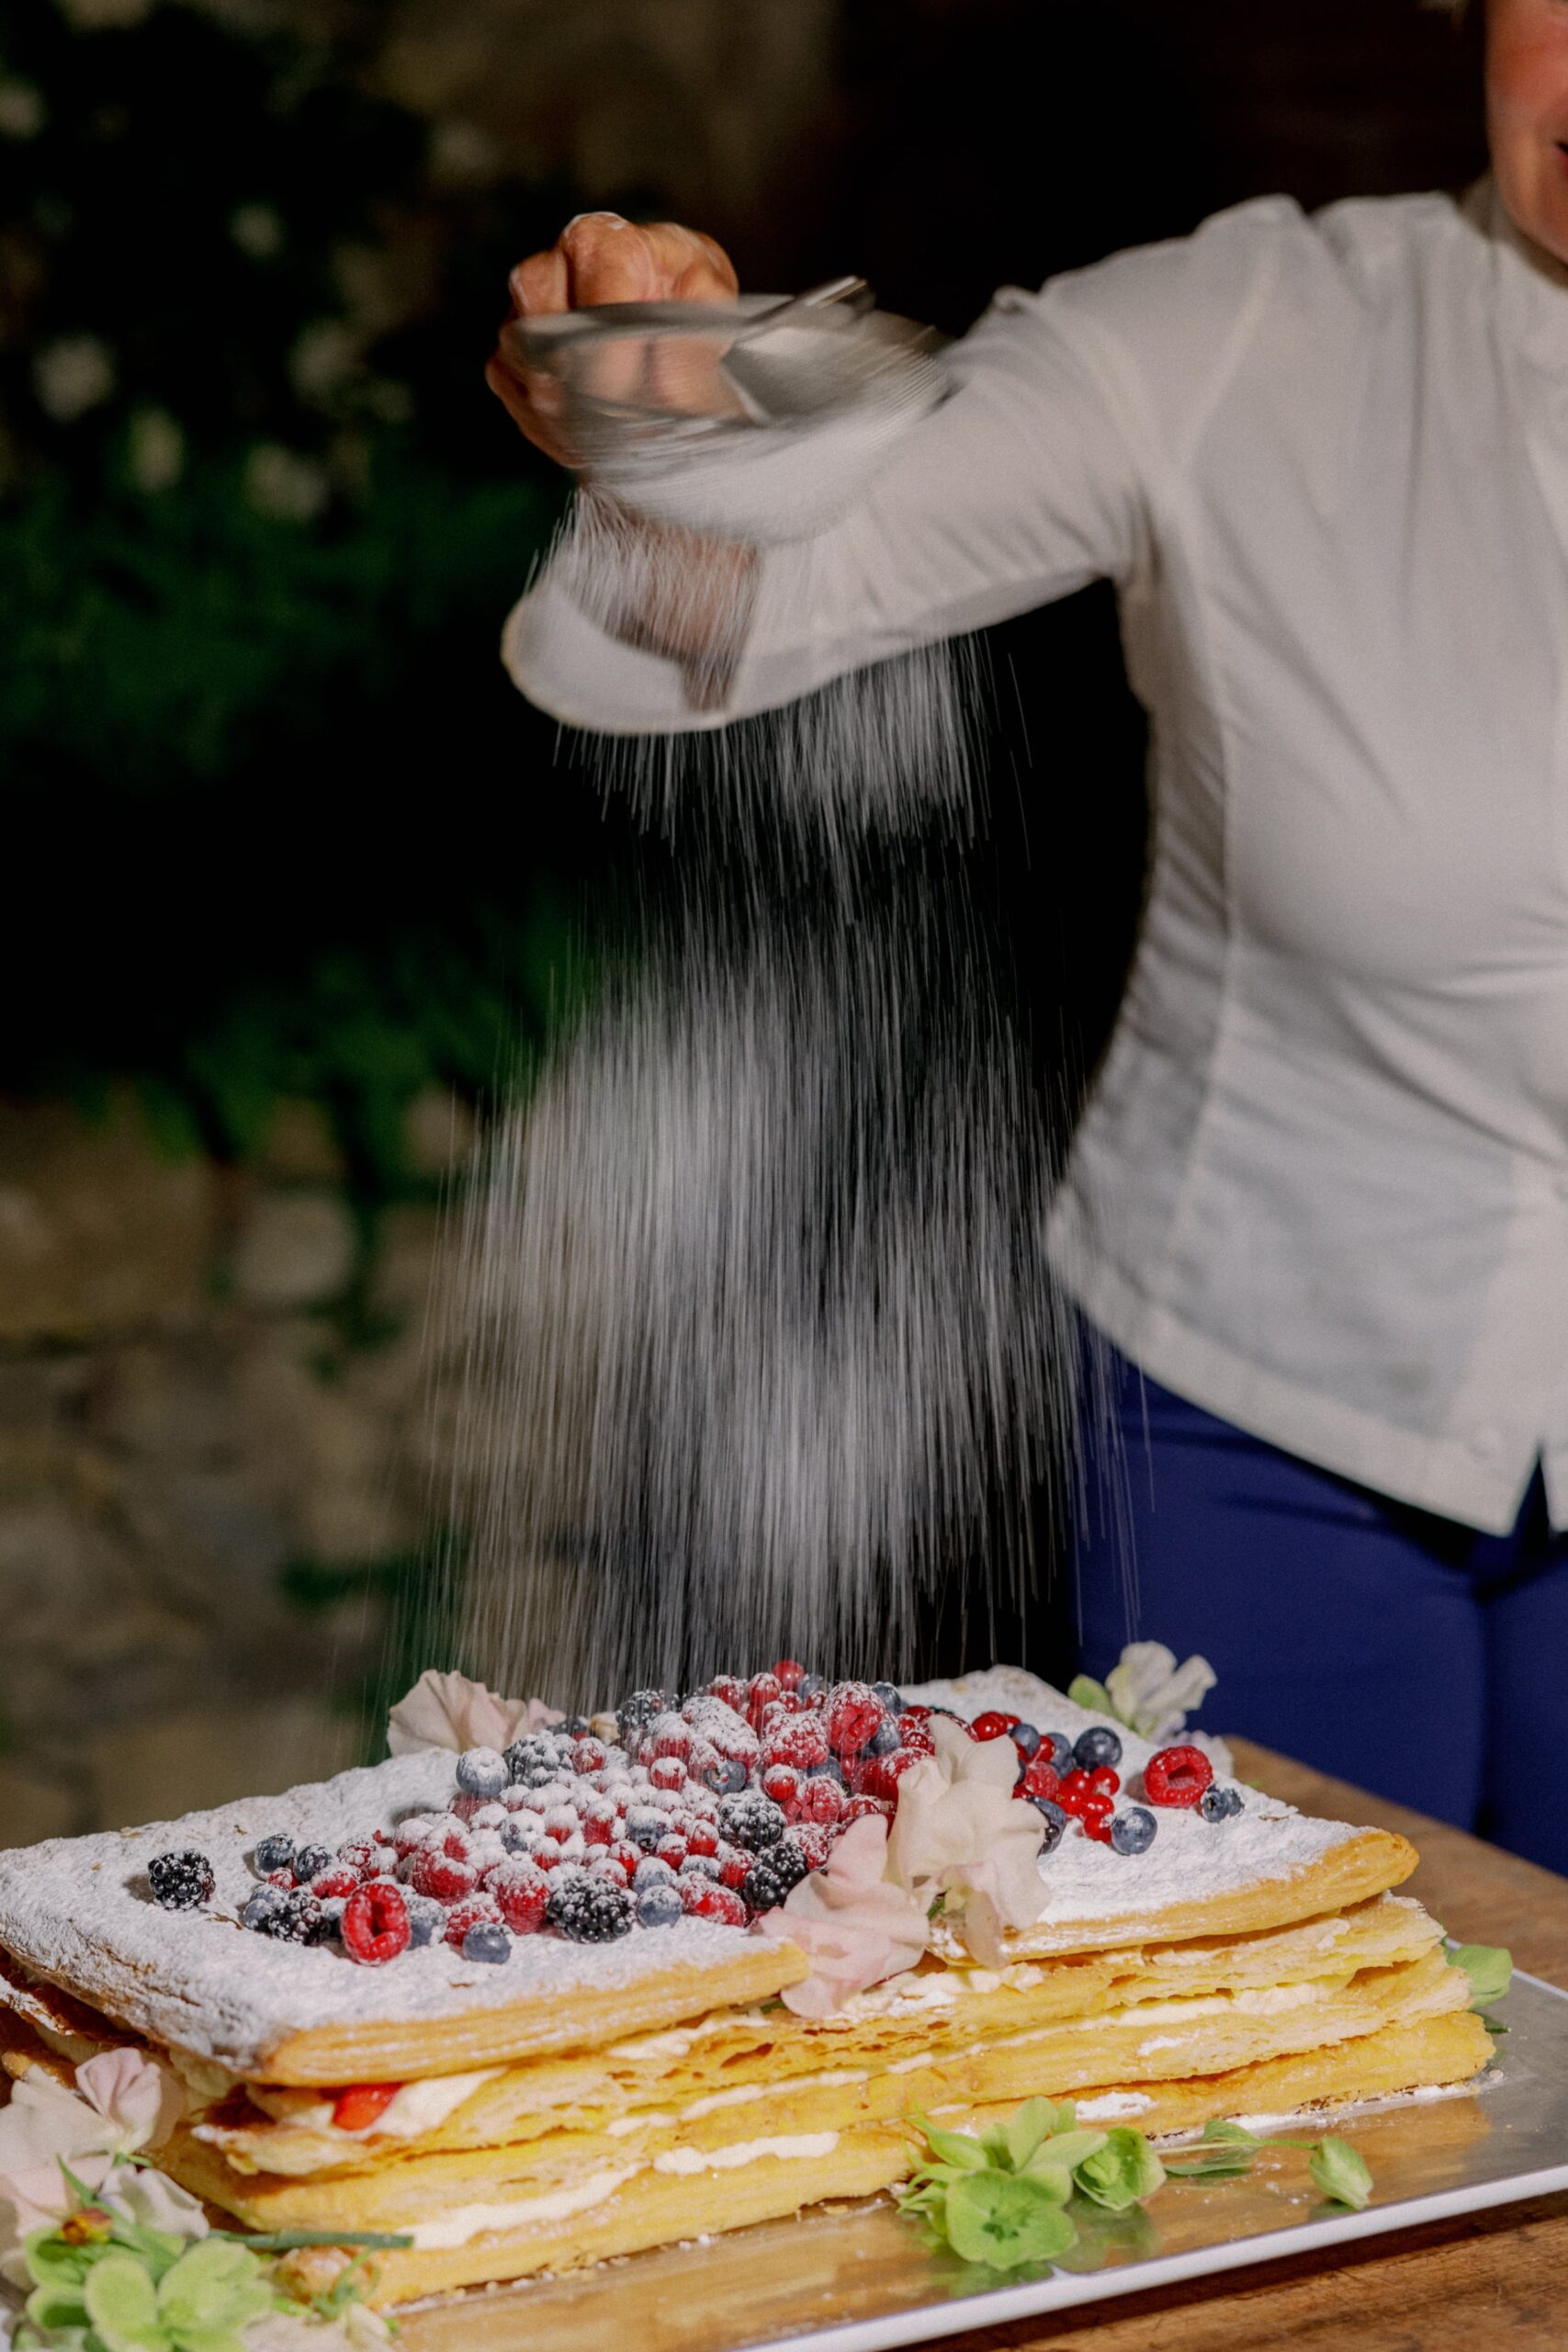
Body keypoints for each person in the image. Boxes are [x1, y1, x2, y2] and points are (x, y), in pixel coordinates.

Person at [487, 0, 1568, 1871]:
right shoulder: (1251, 333)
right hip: (1257, 1420)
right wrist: (663, 434)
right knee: (1285, 2090)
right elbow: (735, 592)